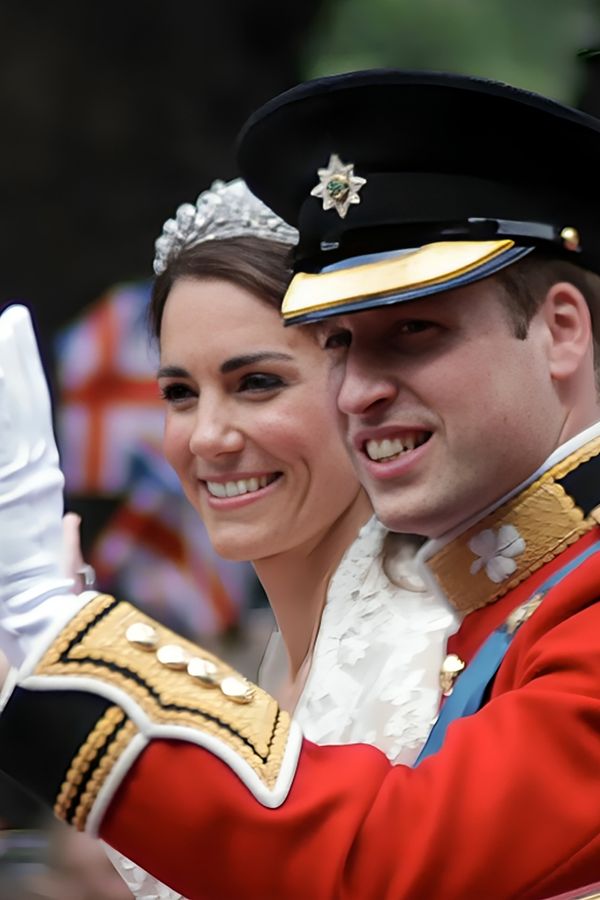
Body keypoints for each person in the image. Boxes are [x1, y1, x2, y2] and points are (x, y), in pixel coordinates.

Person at [0, 69, 599, 899]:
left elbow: (391, 861)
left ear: (562, 330)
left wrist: (66, 648)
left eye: (414, 332)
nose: (357, 391)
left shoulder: (550, 600)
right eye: (344, 346)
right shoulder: (503, 592)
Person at [104, 177, 455, 899]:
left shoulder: (441, 650)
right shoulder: (268, 666)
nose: (209, 436)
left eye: (257, 382)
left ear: (360, 387)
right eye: (179, 393)